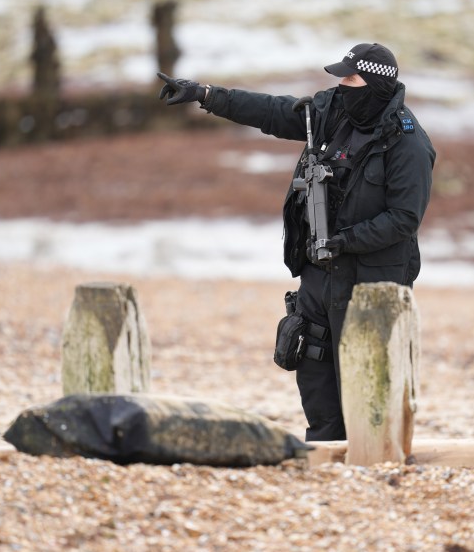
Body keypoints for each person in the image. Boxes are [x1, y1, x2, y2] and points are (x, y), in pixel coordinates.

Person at [157, 43, 435, 441]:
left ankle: (371, 463)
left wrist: (346, 241)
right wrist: (205, 95)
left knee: (366, 382)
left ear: (373, 84)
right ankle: (324, 453)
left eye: (350, 78)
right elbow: (271, 111)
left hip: (373, 284)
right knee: (312, 366)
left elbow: (405, 219)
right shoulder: (332, 112)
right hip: (319, 272)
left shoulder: (408, 143)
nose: (341, 85)